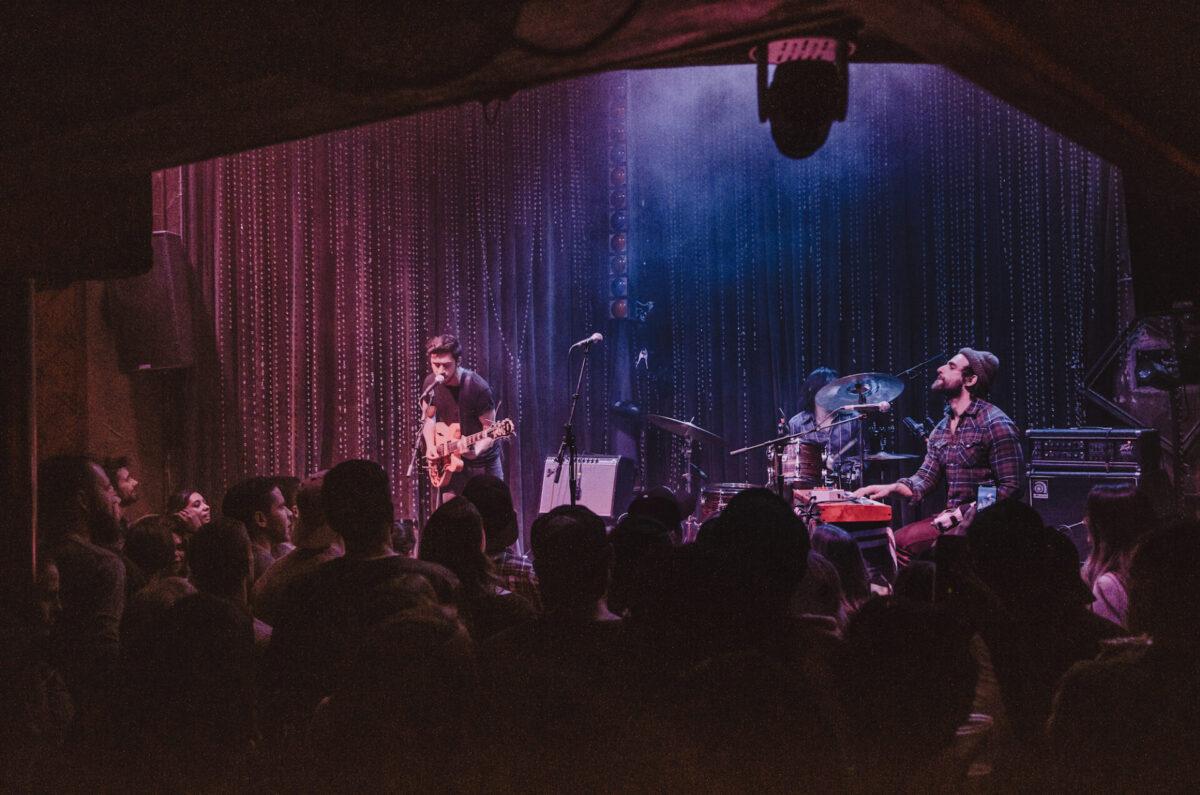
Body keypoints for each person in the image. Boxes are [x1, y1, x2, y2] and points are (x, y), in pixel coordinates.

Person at [855, 348, 1023, 561]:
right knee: (896, 542)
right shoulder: (941, 429)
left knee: (922, 549)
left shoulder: (995, 423)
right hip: (951, 518)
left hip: (987, 524)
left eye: (951, 366)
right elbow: (925, 479)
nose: (940, 369)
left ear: (970, 380)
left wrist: (963, 512)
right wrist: (891, 488)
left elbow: (1011, 488)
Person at [420, 334, 502, 504]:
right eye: (435, 365)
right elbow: (428, 419)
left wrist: (475, 450)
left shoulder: (477, 388)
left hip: (482, 464)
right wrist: (430, 447)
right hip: (451, 462)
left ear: (458, 361)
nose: (440, 371)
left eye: (446, 365)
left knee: (489, 513)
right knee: (451, 516)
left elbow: (490, 432)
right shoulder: (431, 385)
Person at [1079, 484, 1153, 628]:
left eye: (1090, 515)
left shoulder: (1108, 585)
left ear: (1103, 526)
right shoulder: (1146, 573)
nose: (1084, 521)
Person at [784, 367, 860, 484]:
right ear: (814, 391)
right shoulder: (797, 423)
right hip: (809, 487)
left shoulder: (854, 419)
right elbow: (793, 464)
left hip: (846, 486)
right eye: (828, 390)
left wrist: (844, 470)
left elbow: (864, 456)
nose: (834, 394)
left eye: (836, 389)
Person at [221, 477, 293, 582]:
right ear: (260, 519)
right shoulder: (269, 572)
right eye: (281, 507)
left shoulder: (278, 554)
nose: (290, 513)